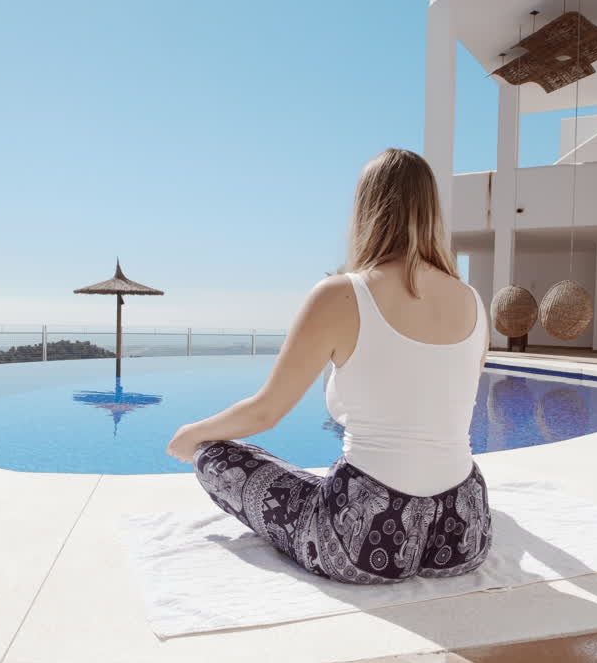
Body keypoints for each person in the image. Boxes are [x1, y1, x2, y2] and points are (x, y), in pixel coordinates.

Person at [166, 149, 491, 585]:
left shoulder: (342, 294)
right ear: (433, 210)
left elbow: (266, 412)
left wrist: (192, 435)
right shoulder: (473, 301)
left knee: (215, 454)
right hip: (464, 534)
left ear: (366, 209)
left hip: (365, 543)